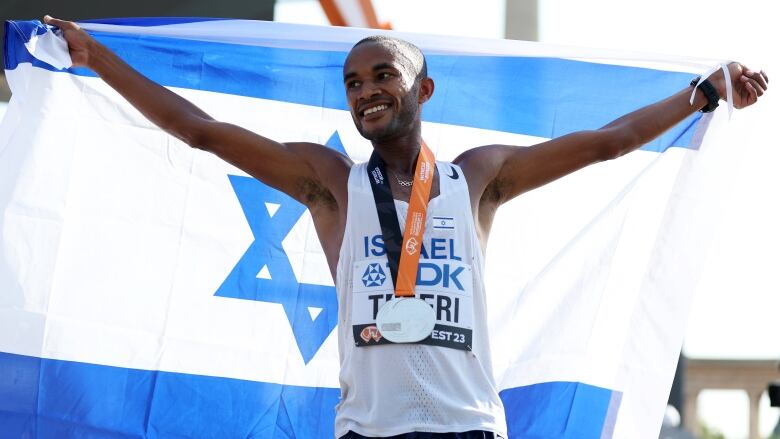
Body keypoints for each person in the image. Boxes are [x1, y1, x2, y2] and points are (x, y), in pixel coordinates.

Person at [43, 15, 768, 439]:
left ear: (423, 87)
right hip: (370, 432)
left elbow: (608, 142)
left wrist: (702, 93)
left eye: (382, 74)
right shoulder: (329, 182)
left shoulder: (476, 177)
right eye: (353, 83)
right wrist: (98, 56)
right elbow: (200, 131)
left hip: (468, 427)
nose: (366, 92)